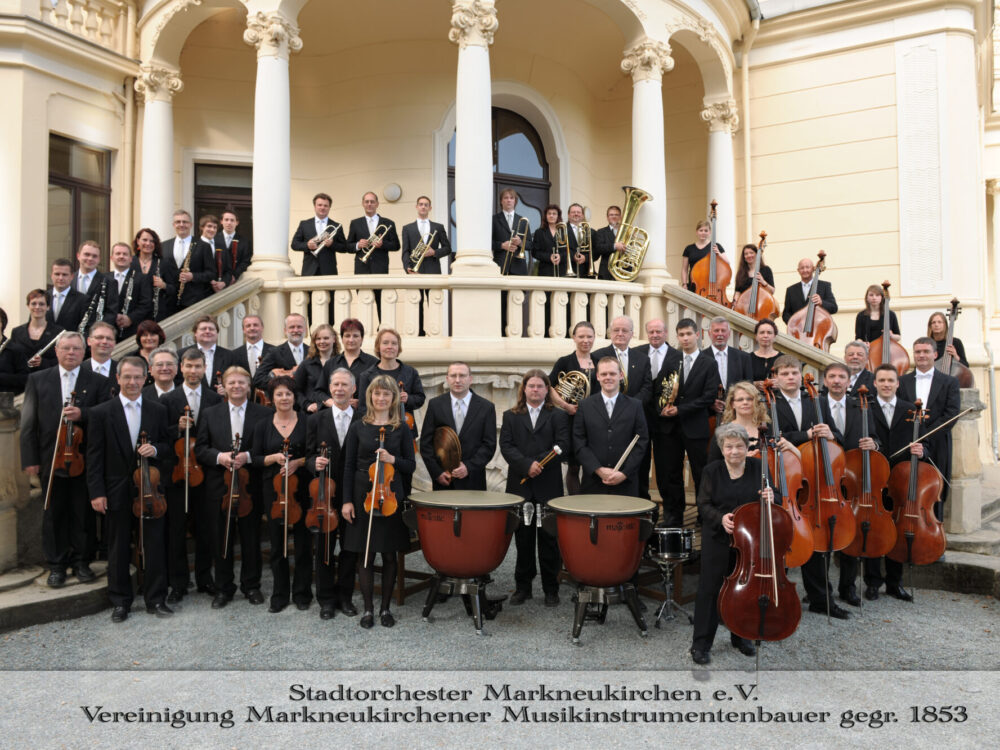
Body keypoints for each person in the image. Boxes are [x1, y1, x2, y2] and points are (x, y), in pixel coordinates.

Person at [21, 331, 110, 587]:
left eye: (76, 349)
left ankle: (82, 562)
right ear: (57, 351)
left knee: (82, 512)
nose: (71, 353)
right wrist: (30, 459)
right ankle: (57, 565)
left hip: (84, 459)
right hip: (50, 459)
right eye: (66, 348)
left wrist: (83, 413)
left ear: (84, 353)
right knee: (53, 513)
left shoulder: (97, 382)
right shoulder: (38, 380)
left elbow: (104, 415)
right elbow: (28, 424)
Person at [88, 356, 172, 622]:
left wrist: (156, 448)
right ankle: (121, 601)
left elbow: (169, 448)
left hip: (149, 490)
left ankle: (156, 599)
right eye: (127, 377)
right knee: (118, 546)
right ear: (118, 378)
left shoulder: (157, 410)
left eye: (138, 377)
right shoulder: (101, 412)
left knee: (155, 544)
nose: (133, 382)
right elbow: (94, 456)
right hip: (115, 490)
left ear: (146, 378)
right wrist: (97, 492)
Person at [769, 354, 850, 620]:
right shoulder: (770, 401)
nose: (791, 377)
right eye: (785, 373)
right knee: (782, 542)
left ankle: (820, 599)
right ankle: (776, 599)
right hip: (788, 479)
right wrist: (805, 436)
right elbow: (772, 438)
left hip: (816, 480)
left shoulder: (815, 399)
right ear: (776, 376)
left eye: (794, 372)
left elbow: (836, 437)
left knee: (814, 543)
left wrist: (830, 434)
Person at [690, 423, 772, 665]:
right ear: (721, 448)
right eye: (729, 447)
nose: (734, 451)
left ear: (747, 448)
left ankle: (742, 636)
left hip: (748, 541)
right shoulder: (711, 470)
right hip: (718, 538)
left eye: (739, 446)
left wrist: (772, 495)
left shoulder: (759, 466)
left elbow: (773, 492)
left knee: (744, 589)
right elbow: (703, 505)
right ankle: (701, 644)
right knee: (709, 589)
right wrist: (720, 518)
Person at [341, 376, 415, 628]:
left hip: (391, 497)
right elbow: (348, 466)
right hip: (364, 495)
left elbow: (410, 465)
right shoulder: (358, 426)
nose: (381, 398)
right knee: (366, 555)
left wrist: (393, 460)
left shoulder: (402, 427)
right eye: (376, 394)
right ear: (369, 396)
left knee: (390, 555)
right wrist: (346, 501)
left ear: (393, 398)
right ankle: (368, 609)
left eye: (386, 394)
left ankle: (385, 608)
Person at [195, 366, 270, 608]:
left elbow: (267, 448)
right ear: (224, 387)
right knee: (221, 538)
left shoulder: (263, 413)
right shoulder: (209, 413)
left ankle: (252, 585)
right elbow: (201, 449)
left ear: (249, 387)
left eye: (241, 383)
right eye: (232, 383)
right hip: (219, 485)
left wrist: (246, 456)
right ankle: (223, 588)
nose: (237, 386)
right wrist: (220, 457)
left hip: (251, 486)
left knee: (251, 537)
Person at [500, 370, 569, 607]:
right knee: (524, 539)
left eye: (540, 386)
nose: (536, 390)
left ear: (547, 390)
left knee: (549, 540)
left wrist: (538, 463)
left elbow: (562, 445)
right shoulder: (510, 416)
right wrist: (526, 465)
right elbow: (506, 447)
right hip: (521, 486)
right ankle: (523, 587)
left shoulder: (558, 416)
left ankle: (551, 589)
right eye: (531, 386)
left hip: (548, 484)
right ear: (524, 389)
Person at [159, 347, 222, 602]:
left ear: (204, 368)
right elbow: (160, 434)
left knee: (206, 529)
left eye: (198, 366)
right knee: (176, 531)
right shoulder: (167, 399)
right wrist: (177, 428)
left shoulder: (215, 399)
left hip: (206, 473)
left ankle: (205, 578)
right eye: (188, 366)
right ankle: (178, 583)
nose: (193, 371)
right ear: (180, 368)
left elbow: (220, 433)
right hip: (178, 474)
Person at [864, 363, 925, 601]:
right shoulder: (864, 407)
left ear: (898, 384)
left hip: (900, 478)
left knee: (898, 529)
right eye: (882, 381)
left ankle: (894, 582)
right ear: (875, 383)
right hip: (875, 477)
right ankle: (872, 582)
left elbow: (925, 443)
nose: (886, 385)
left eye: (891, 380)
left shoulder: (911, 410)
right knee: (873, 528)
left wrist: (922, 450)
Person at [253, 376, 313, 613]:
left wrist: (297, 462)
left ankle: (302, 593)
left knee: (303, 543)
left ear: (294, 396)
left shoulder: (308, 422)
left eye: (288, 393)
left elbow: (315, 453)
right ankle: (279, 594)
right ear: (271, 398)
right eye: (279, 394)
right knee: (277, 543)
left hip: (303, 488)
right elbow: (255, 458)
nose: (284, 398)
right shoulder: (262, 425)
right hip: (274, 489)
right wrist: (273, 458)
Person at [652, 318, 720, 526]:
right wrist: (661, 409)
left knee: (701, 472)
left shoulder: (709, 362)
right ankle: (674, 515)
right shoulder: (671, 361)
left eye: (689, 334)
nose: (685, 338)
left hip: (695, 426)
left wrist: (680, 410)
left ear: (697, 335)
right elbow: (659, 390)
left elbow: (709, 397)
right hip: (670, 429)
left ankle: (704, 514)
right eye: (681, 335)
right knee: (671, 472)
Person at [820, 361, 876, 607]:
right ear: (825, 381)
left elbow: (874, 436)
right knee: (823, 534)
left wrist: (874, 444)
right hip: (825, 476)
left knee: (850, 532)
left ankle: (848, 587)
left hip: (853, 477)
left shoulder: (860, 405)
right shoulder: (817, 404)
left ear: (848, 381)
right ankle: (821, 589)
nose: (837, 380)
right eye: (832, 376)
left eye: (841, 376)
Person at [307, 367, 362, 619]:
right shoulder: (316, 419)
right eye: (335, 385)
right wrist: (313, 463)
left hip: (353, 493)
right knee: (325, 547)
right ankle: (326, 599)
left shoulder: (363, 418)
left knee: (350, 548)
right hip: (324, 494)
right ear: (330, 389)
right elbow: (307, 454)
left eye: (344, 385)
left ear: (353, 390)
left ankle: (345, 597)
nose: (339, 389)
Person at [898, 337, 960, 511]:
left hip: (938, 443)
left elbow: (951, 415)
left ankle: (934, 532)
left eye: (926, 351)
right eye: (918, 352)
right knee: (906, 488)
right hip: (909, 442)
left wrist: (926, 435)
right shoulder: (902, 382)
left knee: (936, 490)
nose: (921, 355)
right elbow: (900, 411)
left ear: (935, 354)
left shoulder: (950, 382)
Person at [573, 357, 649, 497]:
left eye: (612, 374)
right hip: (594, 481)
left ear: (620, 375)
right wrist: (597, 469)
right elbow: (579, 442)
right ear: (597, 377)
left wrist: (624, 473)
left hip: (626, 482)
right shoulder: (585, 405)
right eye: (604, 374)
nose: (608, 377)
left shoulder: (635, 405)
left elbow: (642, 442)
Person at [420, 361, 497, 491]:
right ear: (447, 379)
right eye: (453, 375)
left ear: (470, 379)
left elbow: (489, 445)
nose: (457, 380)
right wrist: (437, 473)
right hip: (444, 481)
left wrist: (468, 467)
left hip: (473, 481)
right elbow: (426, 443)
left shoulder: (486, 407)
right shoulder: (435, 405)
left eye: (462, 375)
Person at [549, 321, 599, 494]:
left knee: (593, 465)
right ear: (574, 338)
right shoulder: (565, 362)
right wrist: (565, 405)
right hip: (573, 419)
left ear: (594, 338)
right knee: (574, 467)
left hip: (596, 421)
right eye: (581, 336)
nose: (585, 340)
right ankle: (575, 506)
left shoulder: (600, 361)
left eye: (589, 336)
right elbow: (548, 386)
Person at [707, 381, 800, 464]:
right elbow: (713, 468)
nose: (745, 402)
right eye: (740, 399)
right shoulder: (722, 432)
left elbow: (795, 459)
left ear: (756, 402)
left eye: (750, 399)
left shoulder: (767, 428)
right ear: (732, 404)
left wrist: (791, 447)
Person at [356, 329, 425, 440]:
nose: (390, 346)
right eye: (385, 343)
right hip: (377, 430)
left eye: (394, 343)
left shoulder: (410, 372)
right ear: (378, 346)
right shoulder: (366, 375)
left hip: (405, 427)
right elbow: (363, 408)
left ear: (398, 347)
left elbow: (420, 398)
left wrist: (408, 399)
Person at [402, 195, 453, 336]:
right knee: (417, 303)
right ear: (416, 207)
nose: (423, 207)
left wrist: (434, 252)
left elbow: (448, 248)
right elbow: (405, 251)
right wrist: (408, 268)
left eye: (426, 204)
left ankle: (435, 332)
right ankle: (419, 332)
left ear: (430, 208)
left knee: (434, 303)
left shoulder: (438, 227)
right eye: (420, 204)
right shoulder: (407, 228)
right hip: (415, 271)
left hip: (432, 269)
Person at [347, 191, 401, 321]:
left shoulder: (388, 223)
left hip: (380, 268)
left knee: (382, 302)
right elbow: (347, 246)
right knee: (363, 303)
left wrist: (382, 244)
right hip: (362, 267)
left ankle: (382, 328)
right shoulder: (355, 223)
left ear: (377, 204)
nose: (369, 204)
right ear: (362, 204)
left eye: (372, 201)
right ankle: (363, 329)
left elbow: (396, 245)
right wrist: (357, 245)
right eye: (367, 202)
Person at [639, 318, 674, 502]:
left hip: (666, 422)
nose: (655, 335)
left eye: (658, 331)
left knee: (666, 468)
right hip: (641, 419)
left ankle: (670, 512)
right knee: (640, 466)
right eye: (651, 331)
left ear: (666, 333)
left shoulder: (677, 356)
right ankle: (641, 507)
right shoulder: (637, 353)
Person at [161, 209, 214, 313]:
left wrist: (193, 276)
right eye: (178, 222)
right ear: (173, 225)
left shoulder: (203, 246)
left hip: (193, 301)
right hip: (168, 300)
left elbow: (211, 273)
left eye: (185, 222)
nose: (181, 225)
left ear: (191, 224)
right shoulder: (163, 246)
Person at [321, 318, 378, 409]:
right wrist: (332, 402)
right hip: (335, 415)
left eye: (355, 336)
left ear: (362, 339)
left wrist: (362, 403)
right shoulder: (331, 363)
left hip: (362, 416)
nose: (351, 340)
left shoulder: (373, 363)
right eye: (347, 336)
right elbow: (319, 392)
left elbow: (380, 392)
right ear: (342, 339)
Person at [290, 192, 347, 276]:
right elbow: (294, 245)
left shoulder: (336, 226)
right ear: (315, 206)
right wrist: (307, 245)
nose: (322, 208)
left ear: (329, 207)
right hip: (309, 270)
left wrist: (332, 244)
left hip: (329, 270)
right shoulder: (304, 224)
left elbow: (345, 248)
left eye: (325, 205)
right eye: (319, 205)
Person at [707, 317, 753, 419]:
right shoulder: (701, 358)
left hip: (738, 416)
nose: (720, 334)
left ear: (729, 334)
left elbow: (749, 388)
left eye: (723, 330)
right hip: (710, 417)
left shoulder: (744, 357)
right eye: (716, 330)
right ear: (709, 334)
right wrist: (710, 403)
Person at [71, 240, 119, 332]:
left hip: (95, 336)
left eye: (94, 256)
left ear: (99, 259)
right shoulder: (69, 280)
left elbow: (111, 313)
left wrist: (98, 332)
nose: (90, 258)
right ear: (78, 256)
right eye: (87, 254)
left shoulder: (110, 282)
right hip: (70, 335)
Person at [253, 313, 307, 391]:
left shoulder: (313, 351)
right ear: (285, 330)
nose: (295, 330)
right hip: (283, 399)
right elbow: (258, 379)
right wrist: (281, 382)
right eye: (292, 327)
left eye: (299, 327)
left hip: (310, 401)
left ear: (305, 329)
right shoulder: (274, 352)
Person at [180, 315, 234, 392]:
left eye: (211, 329)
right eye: (203, 329)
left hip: (220, 402)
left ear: (217, 333)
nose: (207, 331)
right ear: (195, 333)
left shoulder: (229, 355)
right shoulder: (181, 354)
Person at [12, 289, 62, 371]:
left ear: (48, 307)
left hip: (47, 378)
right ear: (28, 306)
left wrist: (43, 362)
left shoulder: (58, 332)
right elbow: (12, 358)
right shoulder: (16, 332)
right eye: (33, 304)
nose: (37, 307)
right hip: (22, 380)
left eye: (41, 304)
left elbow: (62, 359)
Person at [111, 241, 152, 341]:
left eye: (125, 254)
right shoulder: (103, 278)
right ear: (112, 257)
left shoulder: (142, 278)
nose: (121, 256)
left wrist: (130, 318)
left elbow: (146, 304)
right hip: (109, 329)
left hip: (131, 331)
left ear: (131, 259)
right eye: (118, 254)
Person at [295, 323, 341, 413]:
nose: (322, 342)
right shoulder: (306, 364)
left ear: (334, 339)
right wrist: (307, 405)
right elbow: (296, 390)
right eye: (318, 339)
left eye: (326, 338)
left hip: (335, 412)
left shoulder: (341, 363)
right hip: (311, 413)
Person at [782, 256, 838, 324]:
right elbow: (785, 314)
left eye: (807, 267)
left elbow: (834, 308)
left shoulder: (825, 286)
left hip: (819, 329)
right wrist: (794, 324)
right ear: (798, 270)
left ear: (813, 269)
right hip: (797, 331)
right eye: (802, 268)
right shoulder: (790, 290)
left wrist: (821, 302)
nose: (805, 270)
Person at [491, 187, 531, 276]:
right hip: (500, 266)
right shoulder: (494, 219)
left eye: (511, 198)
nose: (509, 200)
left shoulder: (523, 220)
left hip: (519, 267)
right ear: (501, 201)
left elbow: (530, 244)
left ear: (515, 201)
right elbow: (487, 243)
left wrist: (520, 242)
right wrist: (501, 245)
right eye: (506, 198)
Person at [132, 227, 169, 322]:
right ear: (137, 241)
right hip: (133, 314)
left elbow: (173, 289)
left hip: (156, 315)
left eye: (152, 241)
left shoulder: (163, 263)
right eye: (144, 240)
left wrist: (164, 285)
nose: (148, 243)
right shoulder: (130, 262)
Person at [681, 219, 728, 293]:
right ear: (697, 232)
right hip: (693, 285)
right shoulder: (689, 248)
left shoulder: (716, 246)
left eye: (706, 231)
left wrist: (718, 253)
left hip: (712, 286)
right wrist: (684, 284)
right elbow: (684, 269)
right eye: (701, 230)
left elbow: (727, 262)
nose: (703, 233)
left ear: (709, 232)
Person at [531, 204, 576, 278]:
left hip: (563, 271)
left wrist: (560, 256)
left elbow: (573, 251)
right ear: (546, 216)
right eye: (549, 213)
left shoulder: (566, 230)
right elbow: (535, 252)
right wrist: (549, 257)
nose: (551, 216)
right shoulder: (539, 232)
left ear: (558, 216)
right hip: (545, 272)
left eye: (554, 214)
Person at [46, 257, 86, 333]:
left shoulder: (82, 300)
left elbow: (85, 328)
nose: (60, 278)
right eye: (57, 274)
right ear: (51, 275)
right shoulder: (43, 297)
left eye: (64, 275)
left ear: (72, 277)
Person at [231, 314, 275, 383]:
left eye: (255, 325)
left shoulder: (274, 351)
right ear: (243, 330)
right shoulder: (234, 354)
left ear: (262, 327)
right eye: (248, 326)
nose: (252, 328)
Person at [199, 214, 232, 293]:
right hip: (200, 292)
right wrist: (211, 282)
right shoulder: (194, 246)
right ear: (201, 227)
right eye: (209, 226)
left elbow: (229, 271)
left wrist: (223, 283)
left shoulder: (222, 247)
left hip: (220, 292)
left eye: (215, 227)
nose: (212, 230)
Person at [217, 209, 253, 281]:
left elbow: (246, 261)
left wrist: (234, 276)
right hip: (216, 281)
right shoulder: (214, 239)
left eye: (232, 220)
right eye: (226, 220)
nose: (229, 223)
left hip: (236, 280)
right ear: (221, 221)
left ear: (237, 222)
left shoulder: (245, 242)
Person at [0, 306, 29, 394]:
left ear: (2, 323)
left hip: (6, 402)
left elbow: (25, 379)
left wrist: (2, 378)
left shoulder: (15, 350)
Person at [591, 205, 624, 281]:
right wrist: (614, 246)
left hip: (623, 270)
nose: (614, 216)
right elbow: (599, 248)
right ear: (607, 217)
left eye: (616, 215)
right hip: (606, 272)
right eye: (611, 215)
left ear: (620, 217)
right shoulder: (601, 232)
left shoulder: (627, 232)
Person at [750, 318, 780, 383]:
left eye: (769, 333)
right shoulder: (748, 358)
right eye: (762, 332)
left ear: (774, 336)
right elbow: (741, 381)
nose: (765, 336)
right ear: (756, 336)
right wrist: (753, 385)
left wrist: (781, 384)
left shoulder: (783, 358)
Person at [566, 203, 591, 278]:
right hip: (567, 272)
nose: (576, 214)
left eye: (578, 212)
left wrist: (585, 258)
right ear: (568, 215)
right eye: (573, 212)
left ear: (583, 215)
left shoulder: (590, 231)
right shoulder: (562, 230)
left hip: (586, 272)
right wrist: (573, 256)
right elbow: (560, 249)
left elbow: (596, 251)